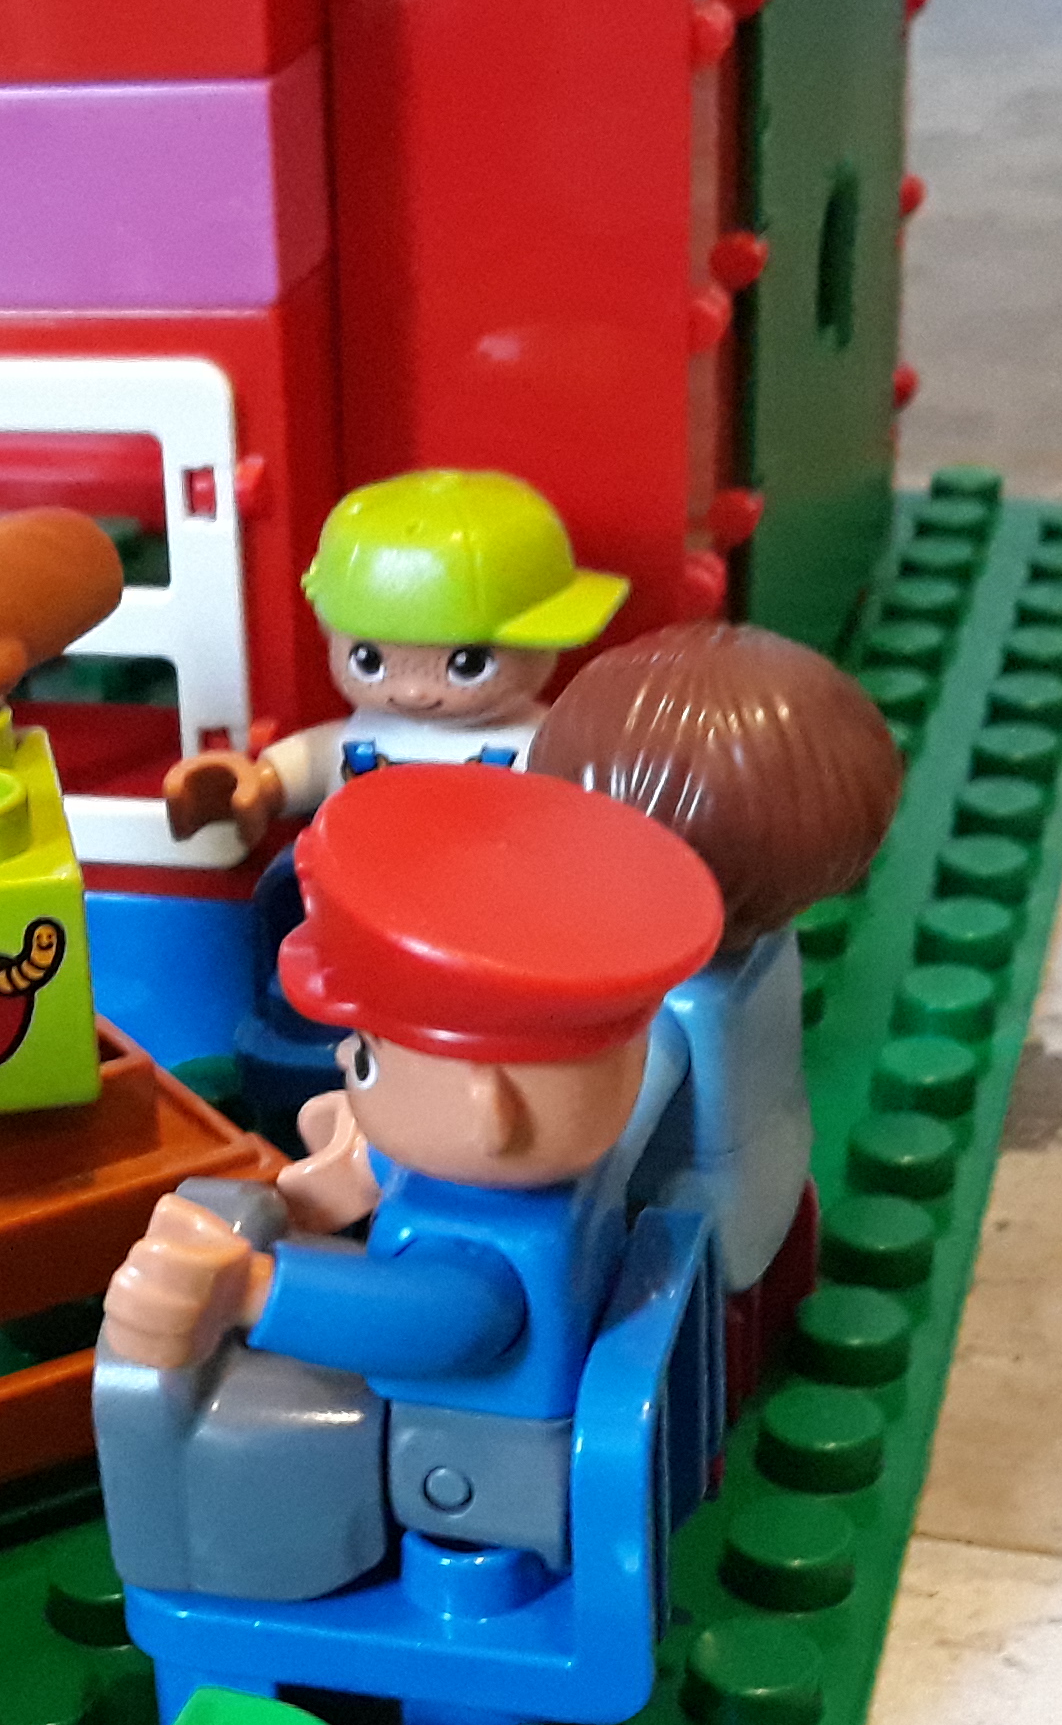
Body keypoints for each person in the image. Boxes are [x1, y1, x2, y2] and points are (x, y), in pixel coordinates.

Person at [101, 765, 723, 1584]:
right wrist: (365, 1162)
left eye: (367, 1058)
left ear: (489, 1113)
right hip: (472, 1433)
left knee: (237, 1449)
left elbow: (429, 1322)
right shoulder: (563, 1173)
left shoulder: (486, 1268)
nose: (344, 1062)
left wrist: (250, 1292)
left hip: (466, 1469)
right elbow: (430, 1186)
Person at [160, 470, 632, 1137]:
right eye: (370, 660)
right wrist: (258, 784)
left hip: (481, 940)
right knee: (287, 920)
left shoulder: (541, 742)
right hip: (348, 930)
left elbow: (580, 825)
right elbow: (313, 760)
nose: (414, 693)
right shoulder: (362, 734)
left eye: (466, 664)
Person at [525, 625, 905, 1402]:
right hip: (776, 1170)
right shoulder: (768, 948)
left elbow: (601, 1144)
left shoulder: (662, 1009)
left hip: (683, 1235)